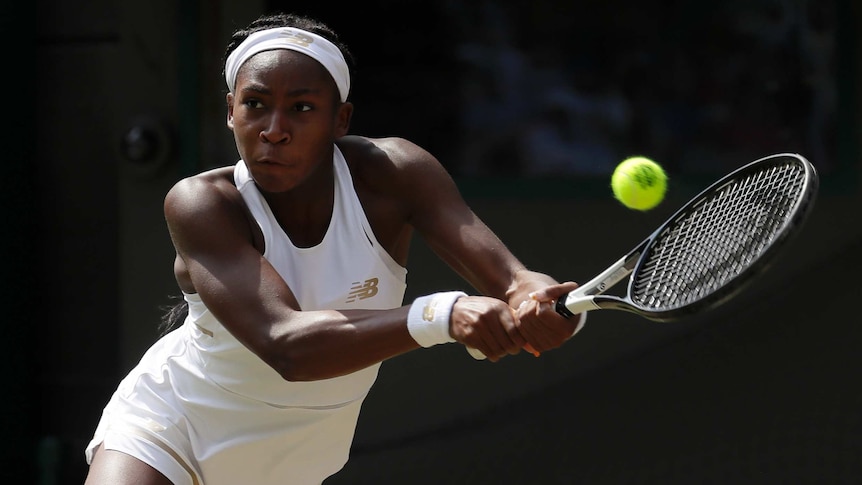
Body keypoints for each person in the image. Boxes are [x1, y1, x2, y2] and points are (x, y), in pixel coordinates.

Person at [83, 12, 586, 485]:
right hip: (171, 426)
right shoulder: (202, 203)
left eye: (302, 108)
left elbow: (515, 281)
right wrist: (442, 316)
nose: (274, 130)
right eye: (255, 104)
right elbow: (285, 344)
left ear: (340, 119)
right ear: (231, 112)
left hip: (297, 461)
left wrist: (540, 302)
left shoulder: (396, 174)